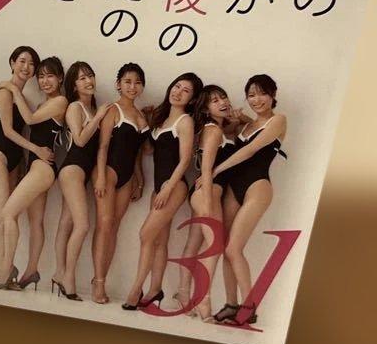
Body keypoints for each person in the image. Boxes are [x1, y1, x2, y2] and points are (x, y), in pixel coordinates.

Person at [204, 73, 287, 327]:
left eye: (262, 94)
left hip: (257, 187)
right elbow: (220, 134)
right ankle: (231, 304)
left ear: (273, 95)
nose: (257, 99)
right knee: (226, 247)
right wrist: (236, 120)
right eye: (251, 95)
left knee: (233, 249)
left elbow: (250, 150)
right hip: (234, 188)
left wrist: (216, 170)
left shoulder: (278, 120)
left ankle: (250, 306)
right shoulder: (245, 126)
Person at [0, 46, 53, 287]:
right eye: (22, 61)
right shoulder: (4, 91)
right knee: (5, 215)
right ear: (12, 63)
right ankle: (3, 269)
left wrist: (24, 164)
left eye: (31, 64)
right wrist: (37, 150)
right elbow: (7, 131)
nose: (26, 67)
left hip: (13, 162)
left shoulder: (21, 97)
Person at [122, 73, 203, 310]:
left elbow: (185, 160)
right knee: (158, 240)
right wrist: (149, 120)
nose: (178, 92)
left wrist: (168, 188)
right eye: (177, 86)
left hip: (173, 186)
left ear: (192, 99)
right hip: (160, 186)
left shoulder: (185, 122)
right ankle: (155, 289)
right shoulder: (164, 120)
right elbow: (149, 150)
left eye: (185, 90)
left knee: (145, 235)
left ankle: (136, 289)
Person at [0, 57, 68, 291]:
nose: (45, 81)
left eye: (50, 76)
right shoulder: (44, 104)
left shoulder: (60, 101)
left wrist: (13, 88)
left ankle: (5, 271)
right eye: (41, 76)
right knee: (36, 222)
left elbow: (30, 120)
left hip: (43, 169)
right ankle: (31, 270)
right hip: (37, 167)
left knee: (7, 213)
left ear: (60, 78)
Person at [175, 85, 240, 321]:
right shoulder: (213, 131)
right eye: (214, 101)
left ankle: (184, 294)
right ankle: (203, 299)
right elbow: (205, 169)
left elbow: (238, 125)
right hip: (208, 193)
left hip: (205, 193)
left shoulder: (216, 129)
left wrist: (236, 118)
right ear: (205, 109)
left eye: (223, 97)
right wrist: (209, 203)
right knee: (215, 246)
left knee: (194, 244)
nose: (222, 102)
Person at [89, 64, 148, 305]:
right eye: (127, 81)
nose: (132, 87)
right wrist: (101, 177)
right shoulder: (113, 110)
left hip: (128, 176)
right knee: (104, 225)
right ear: (118, 84)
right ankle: (99, 283)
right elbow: (103, 146)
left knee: (114, 227)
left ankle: (99, 279)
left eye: (137, 82)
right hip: (108, 171)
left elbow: (138, 153)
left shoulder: (142, 116)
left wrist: (140, 179)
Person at [52, 62, 111, 301]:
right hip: (72, 170)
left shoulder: (93, 107)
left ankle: (59, 273)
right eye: (82, 78)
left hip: (83, 172)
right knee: (83, 225)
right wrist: (98, 117)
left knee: (66, 222)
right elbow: (79, 141)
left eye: (90, 76)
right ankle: (68, 277)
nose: (89, 81)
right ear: (74, 85)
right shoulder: (75, 107)